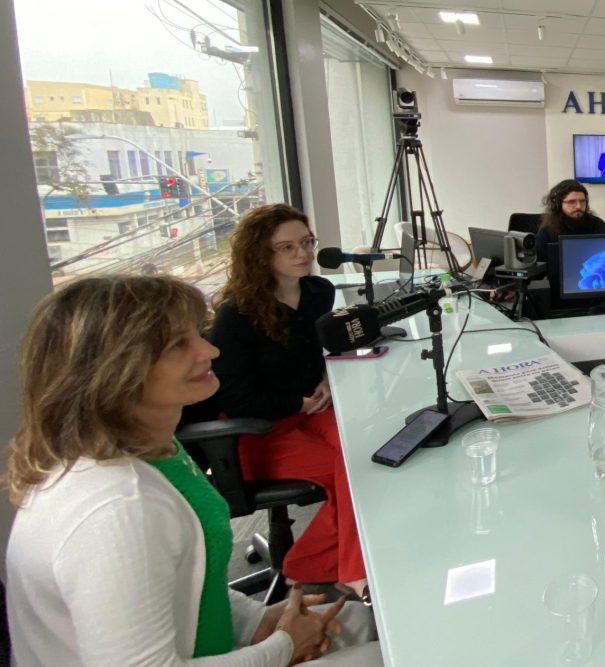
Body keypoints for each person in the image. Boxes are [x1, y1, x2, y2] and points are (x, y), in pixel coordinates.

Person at [5, 276, 381, 666]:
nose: (210, 349)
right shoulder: (115, 508)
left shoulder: (159, 454)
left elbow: (188, 584)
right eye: (178, 345)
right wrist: (283, 647)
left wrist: (258, 622)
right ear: (116, 372)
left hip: (207, 647)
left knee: (360, 618)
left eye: (196, 333)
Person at [207, 204, 368, 601]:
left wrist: (327, 381)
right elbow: (235, 396)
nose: (303, 254)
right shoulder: (236, 314)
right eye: (287, 247)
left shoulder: (319, 293)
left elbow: (324, 353)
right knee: (351, 471)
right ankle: (345, 573)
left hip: (314, 411)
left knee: (369, 455)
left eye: (307, 242)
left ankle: (311, 564)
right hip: (259, 428)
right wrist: (297, 403)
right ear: (260, 255)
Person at [534, 179, 605, 261]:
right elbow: (541, 266)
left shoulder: (597, 224)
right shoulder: (547, 231)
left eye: (582, 201)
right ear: (557, 204)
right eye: (572, 202)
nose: (578, 206)